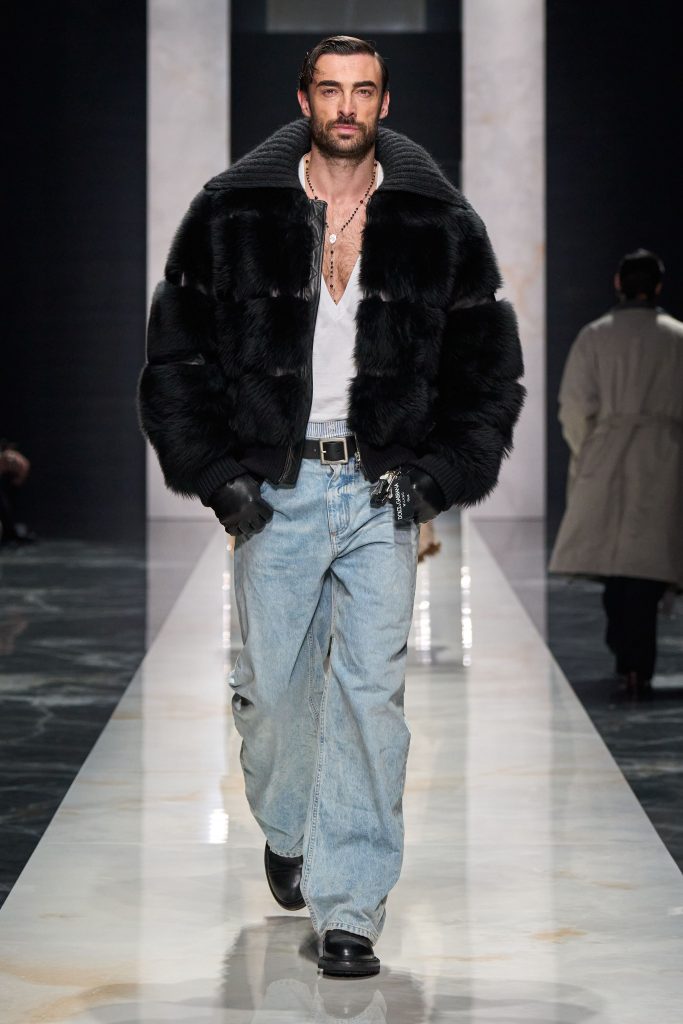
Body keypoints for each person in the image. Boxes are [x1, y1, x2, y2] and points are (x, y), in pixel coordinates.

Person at [138, 35, 524, 977]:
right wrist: (219, 477)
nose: (345, 106)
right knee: (272, 696)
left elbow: (487, 370)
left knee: (369, 699)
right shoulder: (232, 212)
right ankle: (288, 826)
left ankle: (349, 906)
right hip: (277, 488)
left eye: (362, 90)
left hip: (380, 491)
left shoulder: (438, 221)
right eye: (329, 89)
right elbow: (175, 355)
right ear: (303, 99)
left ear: (385, 104)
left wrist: (437, 476)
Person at [549, 249, 683, 698]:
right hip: (664, 457)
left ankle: (628, 658)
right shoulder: (677, 337)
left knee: (615, 565)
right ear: (658, 287)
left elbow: (572, 406)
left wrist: (588, 449)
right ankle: (637, 665)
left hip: (606, 453)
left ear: (618, 284)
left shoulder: (595, 336)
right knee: (647, 565)